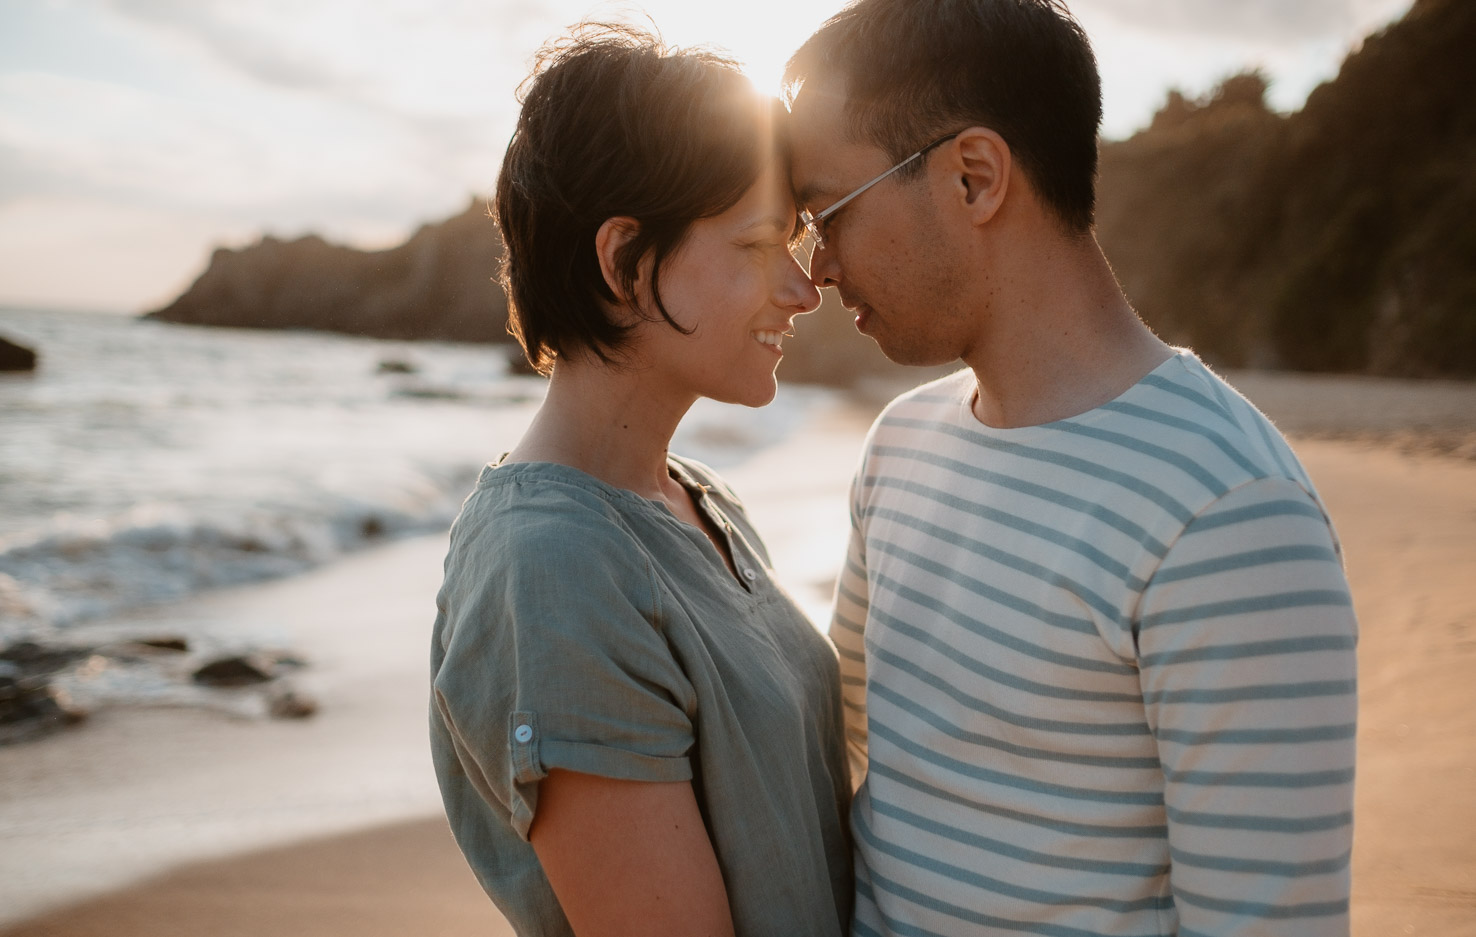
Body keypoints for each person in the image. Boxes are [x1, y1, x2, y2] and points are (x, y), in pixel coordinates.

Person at [782, 1, 1358, 935]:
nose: (817, 270)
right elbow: (853, 770)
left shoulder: (1229, 511)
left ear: (973, 178)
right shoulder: (899, 448)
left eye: (828, 213)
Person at [428, 24, 853, 937]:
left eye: (795, 240)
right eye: (754, 245)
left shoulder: (703, 501)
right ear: (623, 262)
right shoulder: (552, 569)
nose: (801, 286)